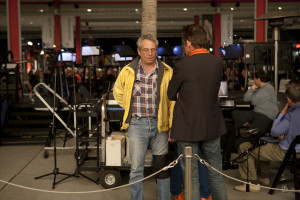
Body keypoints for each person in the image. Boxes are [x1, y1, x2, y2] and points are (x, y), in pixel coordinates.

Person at [168, 24, 228, 200]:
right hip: (212, 126)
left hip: (187, 128)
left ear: (188, 43)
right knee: (216, 174)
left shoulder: (182, 65)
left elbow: (170, 94)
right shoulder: (218, 63)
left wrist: (182, 92)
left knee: (191, 177)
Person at [113, 34, 175, 200]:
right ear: (139, 51)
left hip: (160, 125)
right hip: (137, 125)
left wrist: (171, 125)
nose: (150, 53)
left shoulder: (167, 71)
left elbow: (172, 101)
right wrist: (129, 105)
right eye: (146, 50)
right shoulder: (128, 71)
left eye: (153, 50)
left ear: (156, 51)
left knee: (162, 168)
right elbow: (117, 91)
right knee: (136, 169)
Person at [234, 80, 300, 192]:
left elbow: (274, 131)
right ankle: (264, 177)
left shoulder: (290, 116)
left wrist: (283, 112)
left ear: (288, 100)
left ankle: (252, 183)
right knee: (264, 141)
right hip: (297, 149)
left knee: (245, 147)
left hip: (288, 152)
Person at [232, 70, 279, 150]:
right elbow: (246, 98)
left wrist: (252, 88)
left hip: (265, 116)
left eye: (254, 79)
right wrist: (253, 88)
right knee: (236, 113)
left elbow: (253, 101)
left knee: (239, 141)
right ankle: (250, 128)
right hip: (258, 113)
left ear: (258, 79)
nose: (254, 81)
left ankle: (252, 132)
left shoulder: (268, 88)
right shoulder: (262, 88)